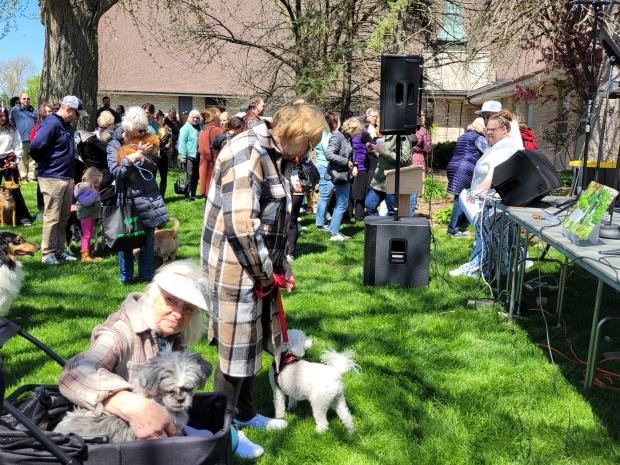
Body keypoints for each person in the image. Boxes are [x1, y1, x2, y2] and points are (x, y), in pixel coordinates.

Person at [201, 103, 326, 460]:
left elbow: (274, 220)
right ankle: (220, 435)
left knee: (252, 341)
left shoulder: (278, 153)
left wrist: (280, 263)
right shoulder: (249, 152)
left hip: (257, 265)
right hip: (235, 265)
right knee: (234, 347)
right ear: (293, 136)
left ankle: (243, 414)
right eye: (309, 143)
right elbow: (243, 225)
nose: (309, 152)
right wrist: (265, 273)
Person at [59, 260, 208, 440]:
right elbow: (73, 374)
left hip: (158, 428)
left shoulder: (171, 334)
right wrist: (130, 404)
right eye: (171, 300)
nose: (178, 313)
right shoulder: (119, 333)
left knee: (224, 437)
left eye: (189, 307)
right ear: (150, 292)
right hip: (110, 436)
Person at [450, 110, 521, 278]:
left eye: (492, 130)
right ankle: (499, 269)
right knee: (493, 239)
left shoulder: (505, 146)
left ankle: (478, 269)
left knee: (488, 238)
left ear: (504, 129)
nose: (488, 133)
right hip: (493, 202)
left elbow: (494, 171)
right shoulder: (501, 144)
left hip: (493, 201)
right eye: (487, 129)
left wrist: (477, 193)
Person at [107, 106, 169, 284]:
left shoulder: (147, 139)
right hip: (127, 197)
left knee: (148, 238)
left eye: (145, 129)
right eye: (140, 129)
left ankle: (146, 275)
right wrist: (131, 159)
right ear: (129, 128)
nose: (143, 132)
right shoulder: (114, 144)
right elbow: (116, 171)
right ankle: (126, 277)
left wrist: (145, 157)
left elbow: (153, 168)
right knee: (126, 238)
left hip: (148, 195)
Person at [30, 96, 87, 265]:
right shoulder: (51, 123)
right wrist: (49, 164)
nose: (77, 118)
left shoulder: (67, 126)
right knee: (52, 217)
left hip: (66, 176)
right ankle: (47, 254)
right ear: (68, 110)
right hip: (52, 177)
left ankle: (59, 251)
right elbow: (35, 147)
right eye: (76, 114)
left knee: (63, 217)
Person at [445, 117, 486, 237]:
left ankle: (459, 227)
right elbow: (488, 152)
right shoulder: (478, 138)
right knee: (460, 199)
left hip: (454, 166)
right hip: (465, 169)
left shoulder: (463, 136)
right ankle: (453, 230)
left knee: (460, 198)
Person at [324, 117, 356, 240]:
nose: (357, 134)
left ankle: (334, 230)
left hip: (344, 173)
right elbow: (329, 154)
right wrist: (346, 162)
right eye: (356, 131)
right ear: (351, 128)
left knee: (342, 203)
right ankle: (334, 233)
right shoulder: (338, 137)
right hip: (338, 174)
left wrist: (353, 164)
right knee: (341, 203)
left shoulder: (347, 138)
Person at [0, 106, 33, 226]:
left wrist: (16, 160)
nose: (3, 118)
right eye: (0, 116)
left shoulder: (12, 130)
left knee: (15, 190)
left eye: (5, 116)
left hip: (9, 160)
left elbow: (18, 145)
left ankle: (23, 218)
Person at [365, 134, 411, 216]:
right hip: (379, 179)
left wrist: (384, 151)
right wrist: (375, 150)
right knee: (369, 204)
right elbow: (383, 156)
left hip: (392, 180)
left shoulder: (403, 135)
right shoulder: (384, 133)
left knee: (393, 212)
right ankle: (377, 228)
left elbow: (405, 159)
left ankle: (391, 228)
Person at [74, 167, 103, 263]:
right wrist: (95, 193)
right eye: (96, 183)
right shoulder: (83, 188)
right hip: (86, 215)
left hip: (91, 214)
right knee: (87, 235)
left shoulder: (89, 187)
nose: (97, 186)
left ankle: (88, 253)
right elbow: (86, 202)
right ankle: (84, 256)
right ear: (90, 179)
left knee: (89, 235)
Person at [314, 111, 338, 230]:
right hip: (325, 167)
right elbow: (328, 153)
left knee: (326, 196)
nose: (337, 123)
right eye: (336, 121)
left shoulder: (326, 133)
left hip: (325, 166)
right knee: (324, 197)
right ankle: (320, 223)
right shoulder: (325, 135)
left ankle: (322, 220)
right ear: (331, 122)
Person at [30, 101, 55, 216]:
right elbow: (33, 144)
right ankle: (41, 209)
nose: (48, 113)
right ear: (42, 113)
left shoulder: (56, 125)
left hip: (54, 161)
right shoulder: (37, 128)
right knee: (41, 185)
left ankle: (52, 209)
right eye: (46, 111)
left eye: (50, 111)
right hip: (42, 161)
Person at [346, 117, 372, 222]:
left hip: (359, 167)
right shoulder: (354, 135)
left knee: (357, 194)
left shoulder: (363, 134)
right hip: (354, 167)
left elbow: (369, 144)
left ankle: (356, 216)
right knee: (354, 193)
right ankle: (352, 216)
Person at [9, 93, 38, 182]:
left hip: (32, 139)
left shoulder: (34, 111)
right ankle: (23, 177)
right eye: (24, 98)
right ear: (21, 100)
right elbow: (11, 121)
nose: (26, 100)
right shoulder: (15, 110)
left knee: (32, 158)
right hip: (20, 139)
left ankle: (32, 177)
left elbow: (38, 123)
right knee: (21, 158)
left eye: (28, 98)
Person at [409, 116, 431, 216]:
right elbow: (428, 148)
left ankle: (402, 212)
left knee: (403, 187)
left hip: (403, 160)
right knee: (413, 188)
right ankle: (410, 214)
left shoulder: (404, 127)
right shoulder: (423, 130)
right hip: (417, 160)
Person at [198, 107, 222, 197]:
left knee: (207, 205)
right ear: (215, 118)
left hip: (205, 172)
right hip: (215, 172)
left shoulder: (202, 133)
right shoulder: (218, 131)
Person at [178, 109, 202, 200]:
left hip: (198, 155)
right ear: (189, 118)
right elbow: (182, 143)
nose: (195, 119)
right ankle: (187, 195)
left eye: (197, 118)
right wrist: (182, 156)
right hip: (188, 156)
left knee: (196, 176)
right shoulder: (185, 128)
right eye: (193, 117)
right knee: (189, 175)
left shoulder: (199, 127)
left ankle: (193, 194)